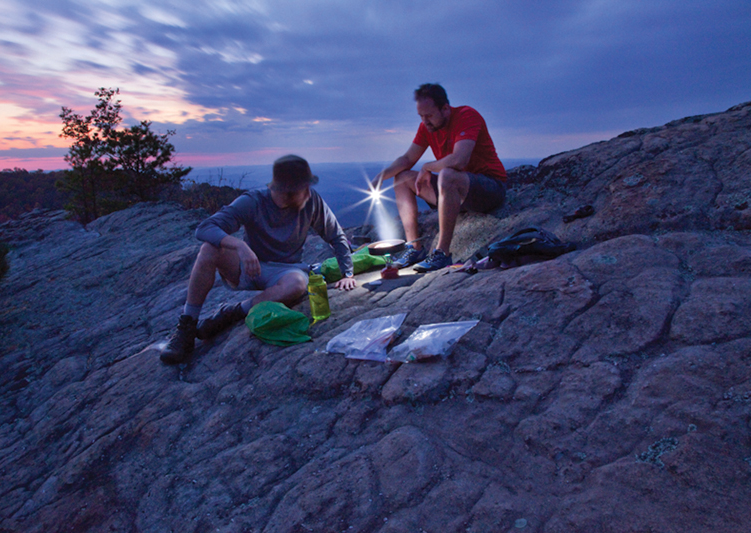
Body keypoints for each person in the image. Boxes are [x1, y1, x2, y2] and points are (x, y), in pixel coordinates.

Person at [160, 154, 356, 364]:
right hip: (248, 267)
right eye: (304, 187)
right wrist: (240, 246)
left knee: (298, 284)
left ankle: (233, 312)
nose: (309, 192)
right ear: (286, 189)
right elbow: (205, 228)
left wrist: (347, 273)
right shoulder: (253, 201)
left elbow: (336, 235)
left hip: (285, 270)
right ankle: (187, 326)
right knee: (209, 249)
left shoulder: (311, 202)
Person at [371, 83, 507, 272]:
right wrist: (381, 176)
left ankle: (442, 254)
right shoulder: (428, 127)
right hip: (457, 193)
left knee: (447, 174)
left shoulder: (467, 116)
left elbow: (459, 160)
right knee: (401, 178)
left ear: (445, 108)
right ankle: (414, 248)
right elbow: (408, 159)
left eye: (429, 116)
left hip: (489, 188)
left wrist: (427, 167)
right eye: (421, 116)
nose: (425, 121)